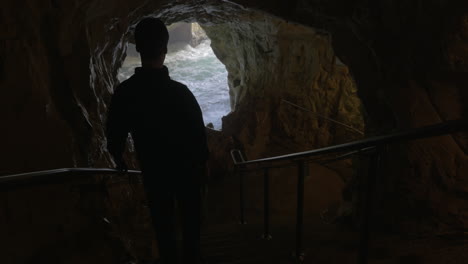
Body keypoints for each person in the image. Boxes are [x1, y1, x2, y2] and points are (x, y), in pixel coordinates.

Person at [106, 17, 209, 264]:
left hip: (154, 173)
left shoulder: (126, 94)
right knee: (191, 228)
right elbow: (199, 140)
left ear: (138, 48)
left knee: (164, 230)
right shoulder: (181, 93)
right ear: (164, 48)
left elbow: (114, 136)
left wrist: (119, 160)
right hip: (188, 173)